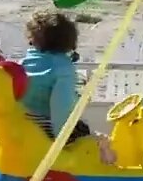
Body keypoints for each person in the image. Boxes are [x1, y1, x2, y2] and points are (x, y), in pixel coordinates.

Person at [20, 11, 116, 164]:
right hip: (48, 127)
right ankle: (109, 173)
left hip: (24, 125)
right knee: (100, 139)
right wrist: (62, 142)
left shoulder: (25, 62)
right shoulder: (63, 69)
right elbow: (60, 107)